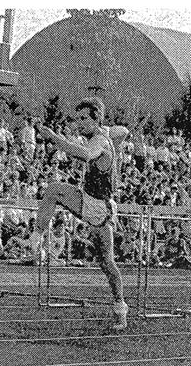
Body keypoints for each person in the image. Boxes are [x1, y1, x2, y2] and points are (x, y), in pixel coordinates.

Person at [29, 97, 129, 330]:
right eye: (78, 119)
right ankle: (120, 308)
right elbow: (123, 130)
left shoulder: (100, 142)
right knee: (108, 264)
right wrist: (113, 132)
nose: (79, 123)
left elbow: (85, 154)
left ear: (96, 119)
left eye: (84, 119)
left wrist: (54, 138)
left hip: (96, 206)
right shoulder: (104, 135)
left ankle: (37, 236)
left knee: (53, 190)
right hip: (101, 206)